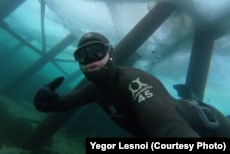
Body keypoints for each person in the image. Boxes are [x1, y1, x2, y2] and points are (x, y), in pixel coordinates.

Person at [34, 32, 230, 137]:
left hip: (216, 129)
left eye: (97, 50)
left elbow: (168, 127)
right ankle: (187, 96)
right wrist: (48, 100)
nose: (90, 58)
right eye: (82, 55)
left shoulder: (136, 82)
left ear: (111, 54)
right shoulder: (95, 90)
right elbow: (65, 102)